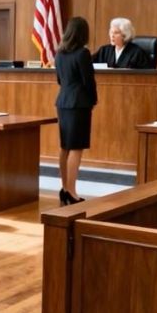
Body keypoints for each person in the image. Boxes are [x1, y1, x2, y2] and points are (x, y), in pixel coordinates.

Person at [55, 17, 98, 205]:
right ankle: (72, 192)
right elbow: (89, 82)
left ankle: (65, 189)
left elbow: (59, 80)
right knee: (76, 148)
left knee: (65, 146)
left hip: (63, 102)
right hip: (79, 104)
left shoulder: (59, 54)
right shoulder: (83, 53)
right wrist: (93, 100)